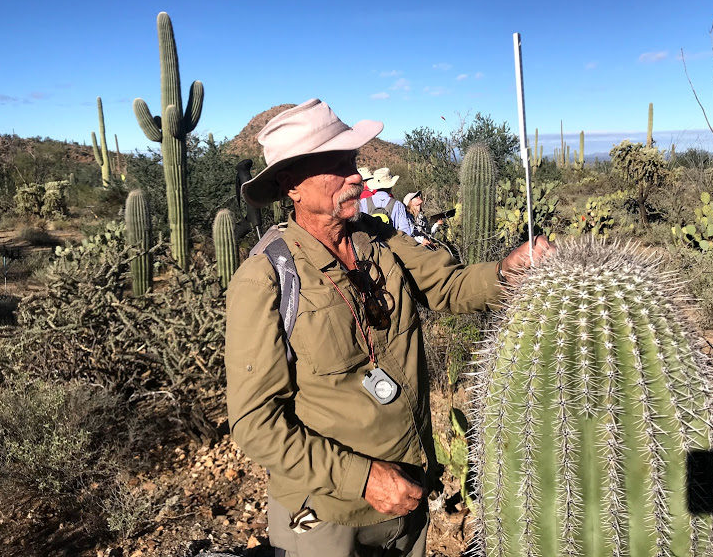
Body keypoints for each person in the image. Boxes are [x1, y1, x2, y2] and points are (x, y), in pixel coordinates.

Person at [225, 98, 553, 557]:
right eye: (335, 165)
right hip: (328, 514)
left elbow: (449, 286)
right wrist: (361, 479)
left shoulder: (378, 239)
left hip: (408, 490)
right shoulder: (266, 278)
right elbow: (255, 422)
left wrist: (505, 272)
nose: (355, 175)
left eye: (352, 160)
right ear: (289, 185)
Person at [359, 167, 415, 236]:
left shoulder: (363, 202)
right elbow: (406, 231)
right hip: (392, 244)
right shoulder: (398, 205)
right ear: (390, 186)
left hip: (370, 244)